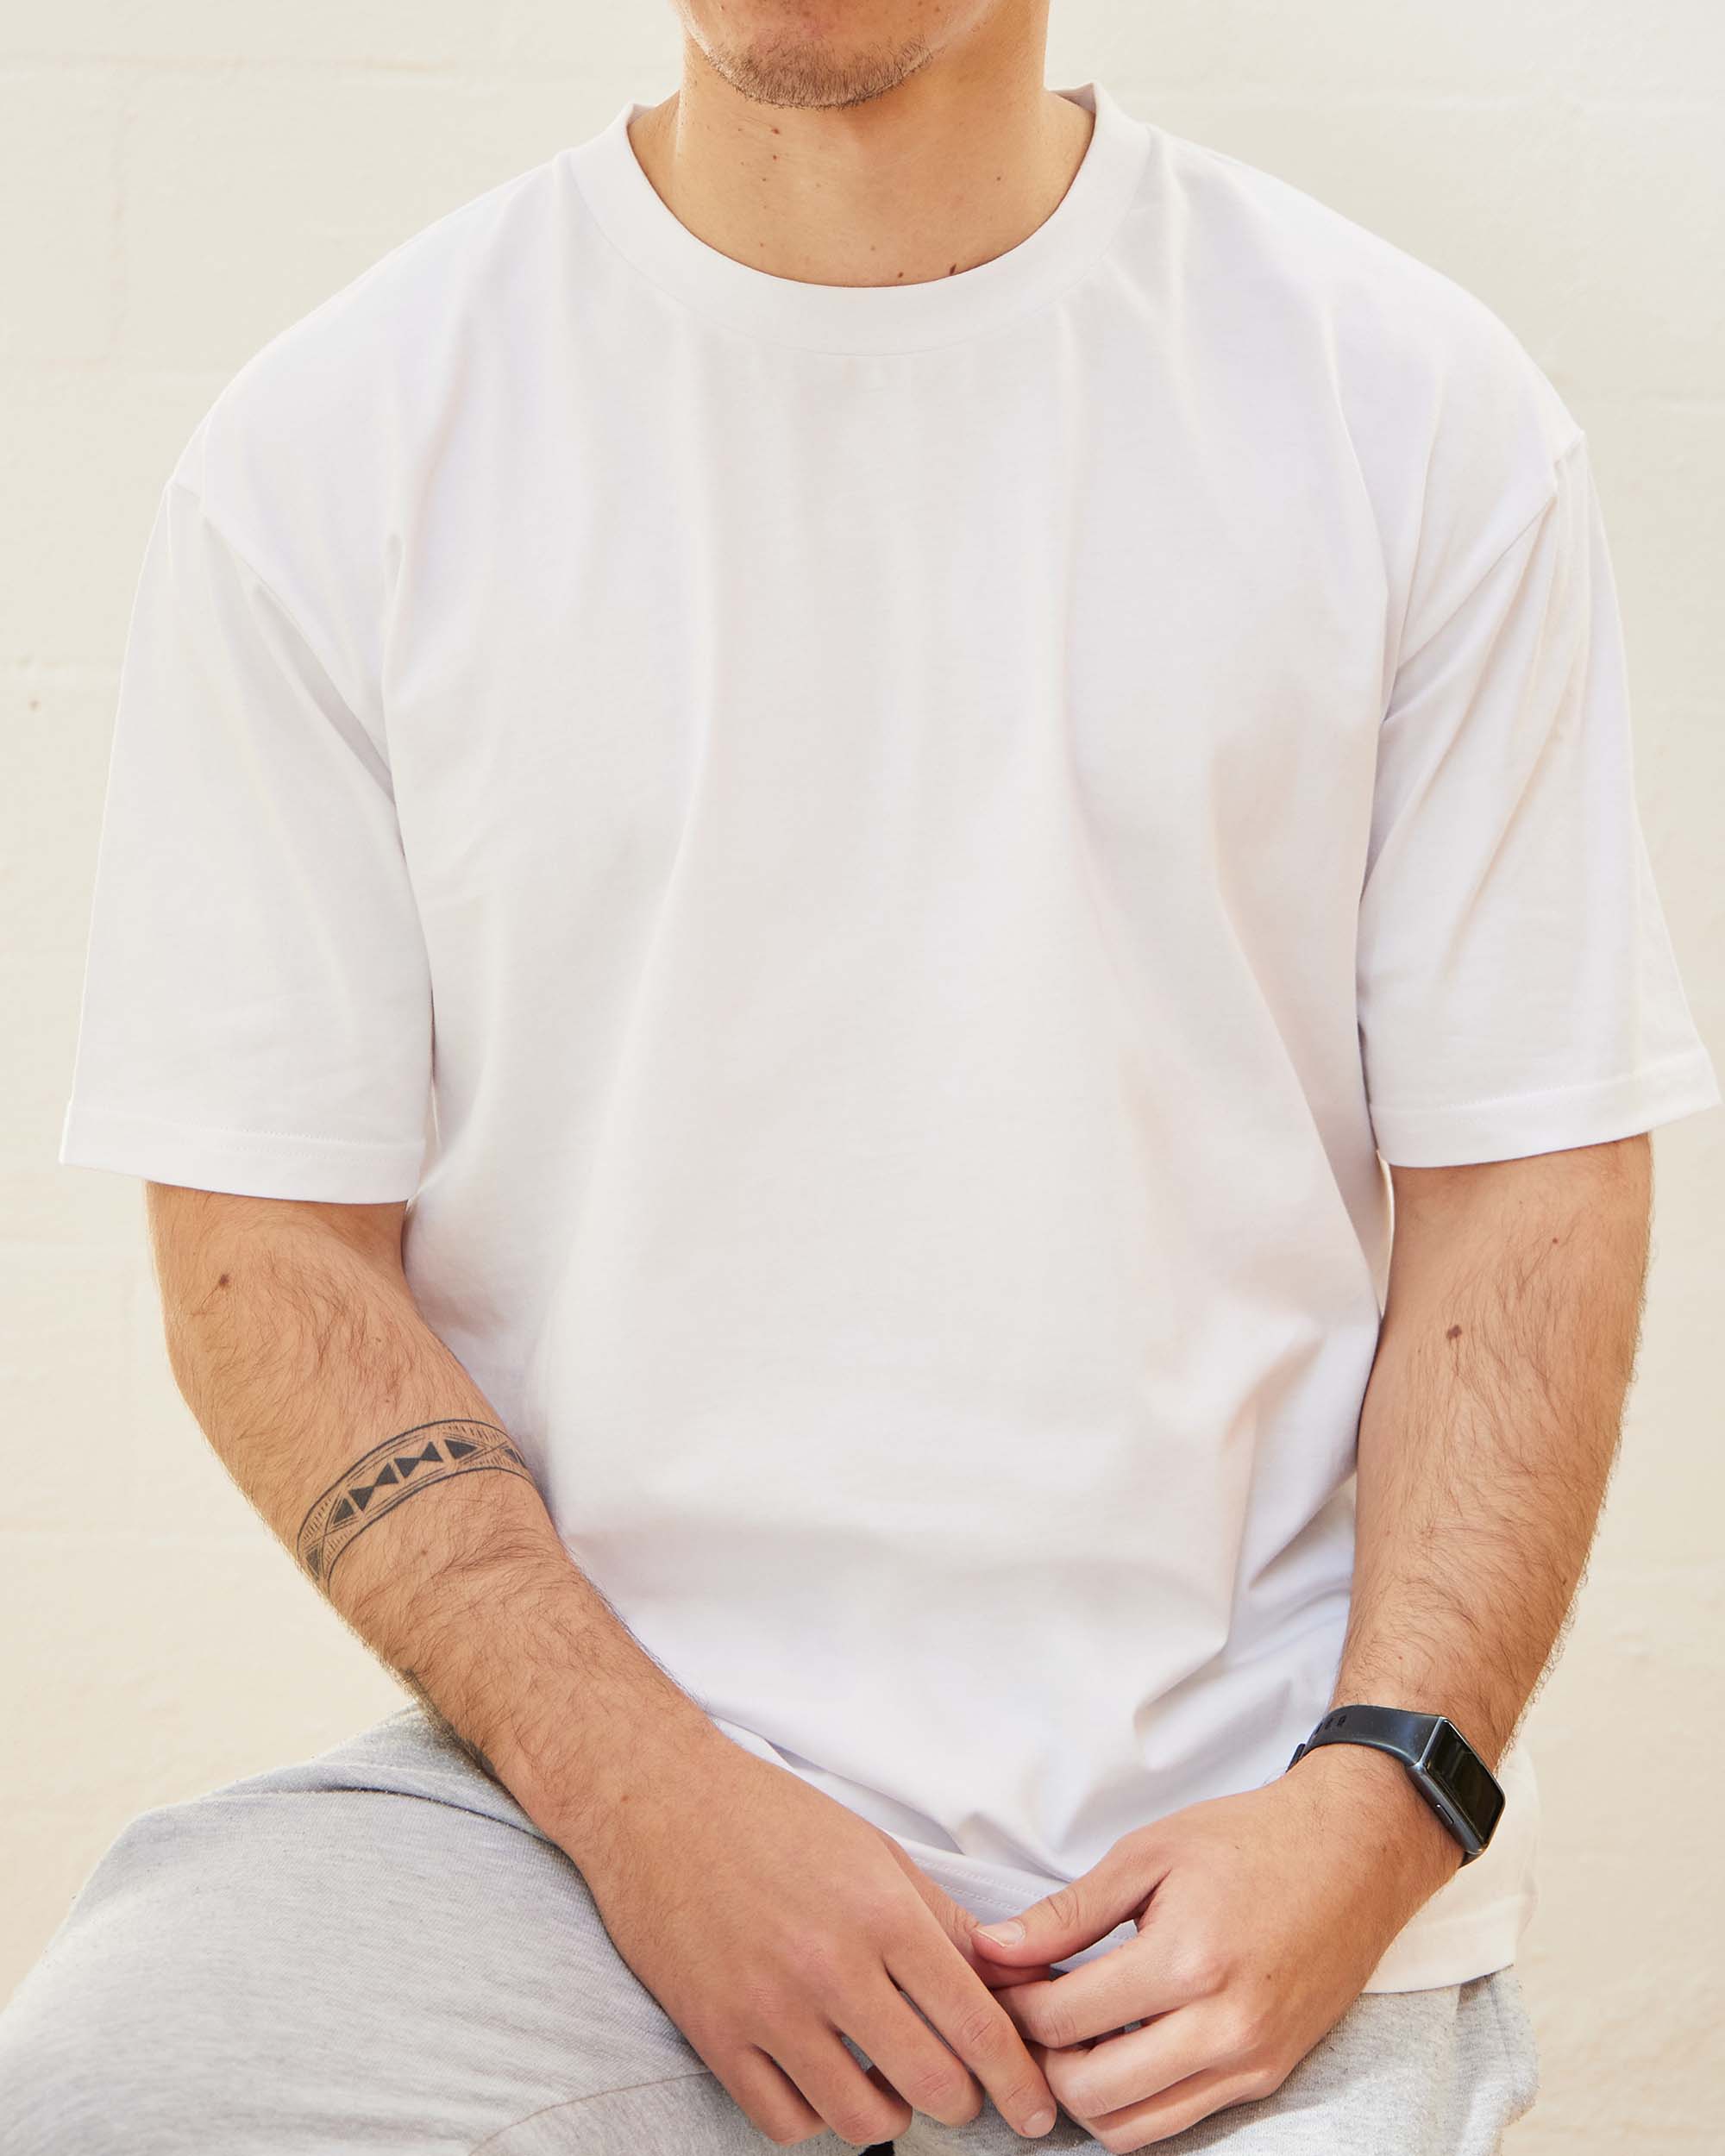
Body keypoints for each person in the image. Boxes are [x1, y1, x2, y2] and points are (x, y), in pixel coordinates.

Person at [3, 2, 1717, 2150]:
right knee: (127, 2075)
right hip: (575, 1853)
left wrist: (1382, 1801)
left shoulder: (1407, 408)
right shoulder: (338, 446)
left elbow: (1526, 1185)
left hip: (1234, 1873)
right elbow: (267, 1252)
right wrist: (645, 1801)